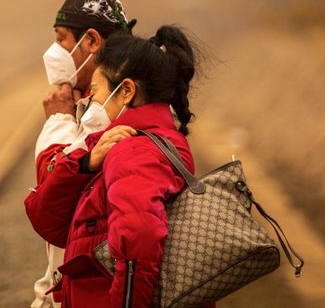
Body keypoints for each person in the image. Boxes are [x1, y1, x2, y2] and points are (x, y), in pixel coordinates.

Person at [25, 25, 215, 307]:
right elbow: (48, 219)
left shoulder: (132, 151)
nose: (90, 101)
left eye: (97, 90)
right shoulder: (154, 139)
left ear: (126, 91)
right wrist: (86, 164)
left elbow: (139, 240)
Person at [32, 0, 137, 308]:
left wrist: (58, 120)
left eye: (62, 38)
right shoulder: (96, 101)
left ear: (91, 41)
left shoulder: (112, 110)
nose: (54, 50)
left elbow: (51, 191)